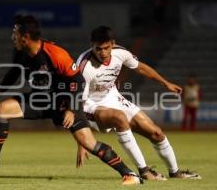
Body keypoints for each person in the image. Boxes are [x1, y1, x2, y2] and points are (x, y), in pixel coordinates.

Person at [0, 15, 142, 185]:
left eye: (15, 34)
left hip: (64, 102)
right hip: (40, 100)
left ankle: (130, 174)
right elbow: (14, 73)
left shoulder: (56, 54)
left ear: (26, 37)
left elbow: (78, 82)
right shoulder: (20, 52)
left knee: (89, 144)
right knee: (1, 110)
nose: (13, 37)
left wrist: (71, 110)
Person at [76, 26, 201, 180]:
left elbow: (140, 68)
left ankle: (175, 172)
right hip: (90, 104)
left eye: (106, 48)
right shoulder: (84, 67)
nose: (102, 53)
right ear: (92, 45)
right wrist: (82, 141)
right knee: (120, 117)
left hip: (112, 96)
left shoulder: (120, 53)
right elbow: (79, 103)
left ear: (113, 44)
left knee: (156, 133)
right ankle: (144, 171)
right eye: (98, 49)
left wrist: (166, 83)